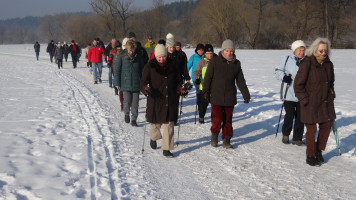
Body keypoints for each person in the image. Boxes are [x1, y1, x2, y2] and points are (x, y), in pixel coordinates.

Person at [294, 37, 336, 166]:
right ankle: (310, 155)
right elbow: (298, 85)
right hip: (310, 103)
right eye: (321, 51)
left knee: (326, 125)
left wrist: (332, 94)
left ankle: (319, 151)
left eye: (325, 51)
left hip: (325, 102)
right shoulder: (307, 63)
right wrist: (304, 99)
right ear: (315, 50)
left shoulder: (329, 64)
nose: (323, 53)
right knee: (311, 129)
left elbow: (331, 83)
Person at [202, 39, 250, 148]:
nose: (230, 53)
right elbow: (208, 78)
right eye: (227, 50)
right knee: (217, 118)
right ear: (223, 51)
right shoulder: (215, 61)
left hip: (229, 96)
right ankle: (214, 136)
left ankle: (227, 139)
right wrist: (205, 91)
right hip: (216, 95)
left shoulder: (236, 64)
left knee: (228, 120)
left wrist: (246, 94)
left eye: (231, 51)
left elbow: (240, 81)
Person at [140, 44, 182, 157]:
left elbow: (178, 80)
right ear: (156, 56)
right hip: (156, 99)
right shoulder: (150, 66)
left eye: (163, 56)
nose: (162, 59)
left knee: (169, 124)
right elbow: (143, 82)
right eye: (159, 57)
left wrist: (181, 88)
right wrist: (146, 89)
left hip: (170, 99)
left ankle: (167, 148)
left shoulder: (172, 65)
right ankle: (153, 138)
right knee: (155, 124)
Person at [274, 40, 306, 145]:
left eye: (303, 50)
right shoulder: (287, 59)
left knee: (301, 117)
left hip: (302, 94)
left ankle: (297, 138)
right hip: (288, 93)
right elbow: (277, 71)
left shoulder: (308, 61)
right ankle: (286, 134)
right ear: (294, 50)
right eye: (299, 50)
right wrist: (284, 77)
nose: (302, 52)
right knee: (290, 115)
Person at [113, 40, 144, 126]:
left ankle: (134, 119)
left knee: (135, 103)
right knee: (126, 101)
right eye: (130, 50)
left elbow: (142, 70)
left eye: (133, 50)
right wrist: (117, 82)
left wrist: (143, 82)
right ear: (127, 49)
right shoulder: (121, 56)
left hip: (136, 84)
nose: (131, 52)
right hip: (125, 83)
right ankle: (126, 114)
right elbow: (117, 70)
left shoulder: (138, 57)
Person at [166, 33, 191, 125]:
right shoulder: (164, 56)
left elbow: (184, 68)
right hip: (167, 82)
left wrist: (187, 78)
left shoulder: (179, 56)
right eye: (170, 47)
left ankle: (174, 119)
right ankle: (167, 117)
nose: (172, 49)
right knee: (167, 101)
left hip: (178, 81)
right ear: (167, 47)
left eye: (173, 47)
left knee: (175, 102)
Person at [194, 44, 214, 124]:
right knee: (204, 104)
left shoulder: (216, 61)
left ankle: (214, 118)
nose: (210, 55)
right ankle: (201, 116)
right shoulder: (201, 62)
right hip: (204, 87)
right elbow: (196, 72)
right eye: (208, 53)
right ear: (205, 53)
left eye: (211, 53)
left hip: (215, 87)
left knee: (215, 105)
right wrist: (197, 79)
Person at [187, 43, 205, 118]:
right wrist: (184, 75)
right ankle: (200, 106)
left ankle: (203, 105)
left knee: (203, 93)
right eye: (199, 50)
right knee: (199, 92)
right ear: (197, 50)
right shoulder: (193, 57)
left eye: (202, 50)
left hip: (204, 78)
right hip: (196, 78)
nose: (201, 51)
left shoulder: (206, 57)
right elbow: (188, 66)